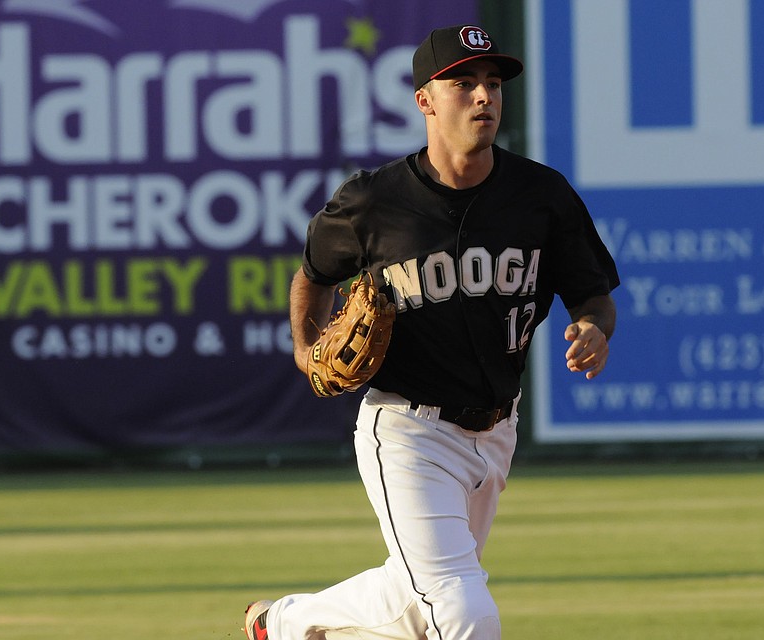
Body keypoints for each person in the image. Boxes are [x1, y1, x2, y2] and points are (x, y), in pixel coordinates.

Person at [244, 24, 619, 640]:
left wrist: (594, 328)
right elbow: (311, 276)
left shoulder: (540, 195)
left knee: (416, 597)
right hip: (407, 430)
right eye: (464, 82)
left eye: (493, 84)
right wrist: (307, 349)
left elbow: (592, 295)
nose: (483, 97)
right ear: (425, 100)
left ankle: (284, 624)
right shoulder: (374, 202)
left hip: (498, 428)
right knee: (463, 608)